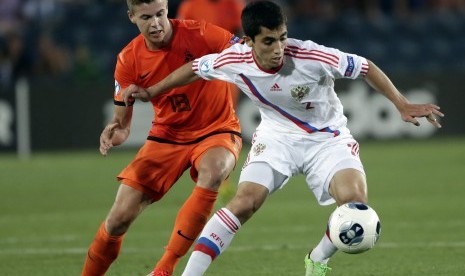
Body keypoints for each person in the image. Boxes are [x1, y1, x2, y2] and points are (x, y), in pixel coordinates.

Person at [122, 1, 444, 275]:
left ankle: (317, 259)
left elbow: (365, 67)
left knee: (356, 205)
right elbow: (194, 68)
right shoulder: (233, 60)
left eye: (282, 38)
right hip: (277, 138)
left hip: (327, 139)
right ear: (248, 41)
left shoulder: (312, 56)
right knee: (245, 201)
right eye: (268, 42)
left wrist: (401, 104)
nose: (278, 49)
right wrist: (152, 91)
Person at [81, 1, 243, 276]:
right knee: (118, 219)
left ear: (168, 9)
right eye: (146, 17)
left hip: (217, 129)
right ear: (132, 17)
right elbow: (122, 124)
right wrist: (114, 132)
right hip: (166, 137)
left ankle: (164, 269)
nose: (156, 23)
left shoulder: (203, 33)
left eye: (160, 14)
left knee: (214, 171)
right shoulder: (128, 59)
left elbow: (242, 52)